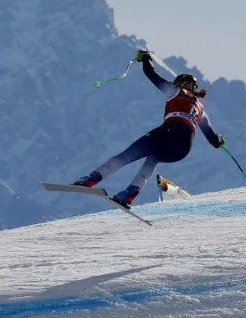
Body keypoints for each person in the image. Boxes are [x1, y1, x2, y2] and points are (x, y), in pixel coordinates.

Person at [73, 50, 225, 208]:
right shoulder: (201, 109)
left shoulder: (175, 91)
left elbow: (151, 74)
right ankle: (129, 193)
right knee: (152, 159)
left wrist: (146, 58)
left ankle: (92, 178)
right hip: (183, 149)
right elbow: (212, 138)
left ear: (179, 83)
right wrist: (219, 141)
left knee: (126, 156)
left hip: (167, 133)